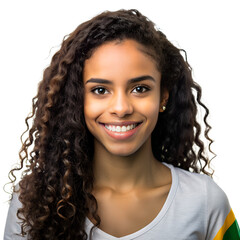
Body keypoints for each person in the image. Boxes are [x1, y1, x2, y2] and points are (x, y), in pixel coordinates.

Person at [4, 9, 240, 240]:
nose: (121, 108)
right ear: (77, 100)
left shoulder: (205, 202)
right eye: (100, 90)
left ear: (163, 97)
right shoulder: (33, 201)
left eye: (140, 89)